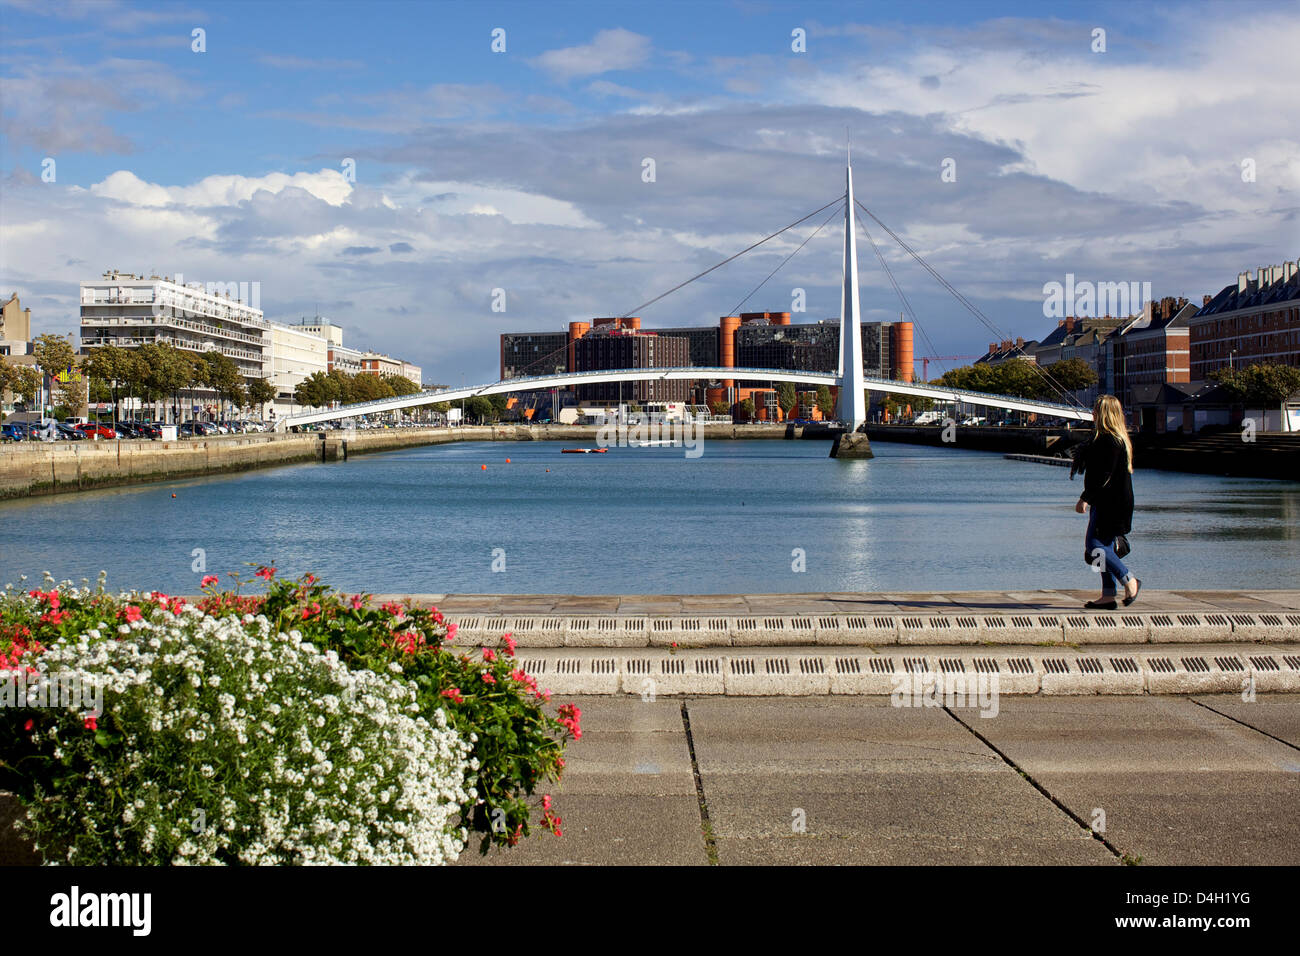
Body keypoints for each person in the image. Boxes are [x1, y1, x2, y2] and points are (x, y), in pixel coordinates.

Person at [1075, 394, 1140, 609]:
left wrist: (1085, 498)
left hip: (1111, 503)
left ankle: (1128, 579)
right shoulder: (1114, 438)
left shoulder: (1109, 441)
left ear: (1104, 414)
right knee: (1105, 547)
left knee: (1094, 546)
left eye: (1096, 409)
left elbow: (1104, 474)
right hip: (1111, 500)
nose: (1092, 412)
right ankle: (1108, 595)